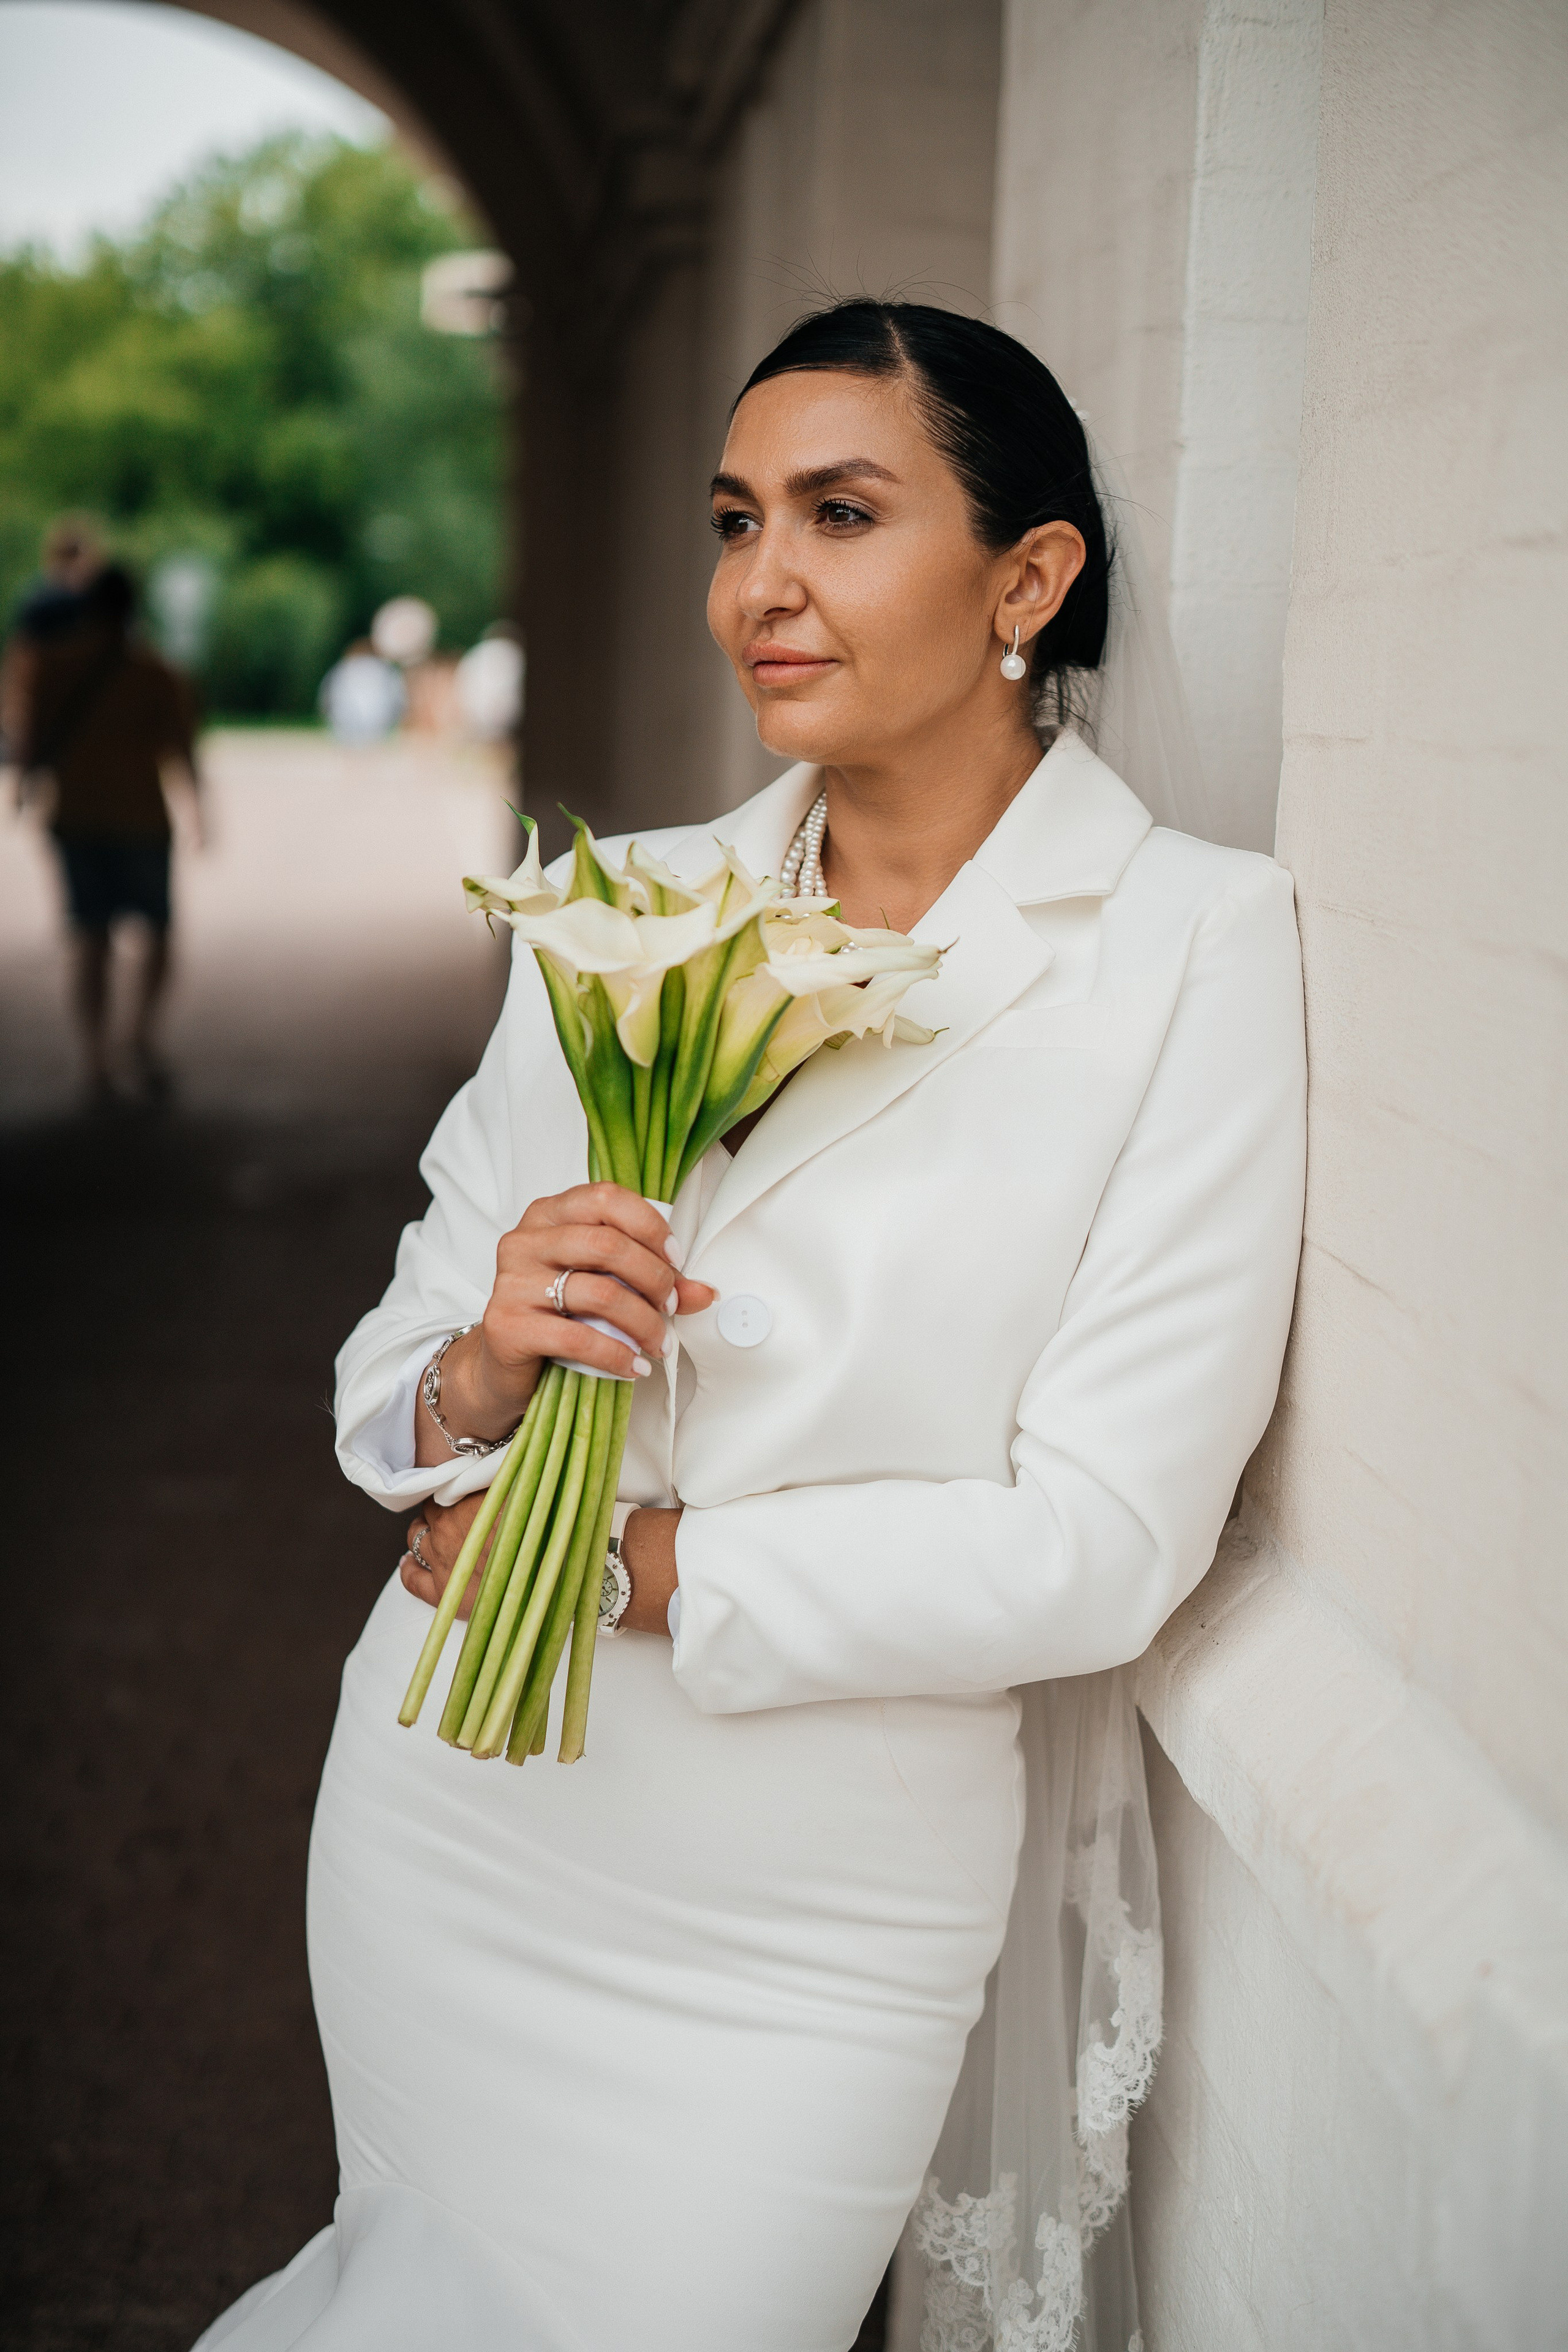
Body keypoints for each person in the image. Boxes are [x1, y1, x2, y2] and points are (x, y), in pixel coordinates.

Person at [196, 303, 1306, 2352]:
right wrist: (486, 1361)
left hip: (814, 1904)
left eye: (841, 515)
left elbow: (1104, 1539)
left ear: (1029, 579)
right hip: (464, 1809)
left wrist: (637, 1568)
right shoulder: (618, 904)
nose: (760, 583)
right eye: (736, 520)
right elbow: (395, 1382)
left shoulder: (1187, 948)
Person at [14, 561, 202, 1100]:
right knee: (158, 933)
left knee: (91, 937)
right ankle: (140, 1034)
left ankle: (96, 1058)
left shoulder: (53, 665)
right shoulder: (156, 672)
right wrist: (200, 811)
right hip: (142, 817)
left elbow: (32, 736)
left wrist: (23, 789)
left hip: (77, 816)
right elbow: (181, 746)